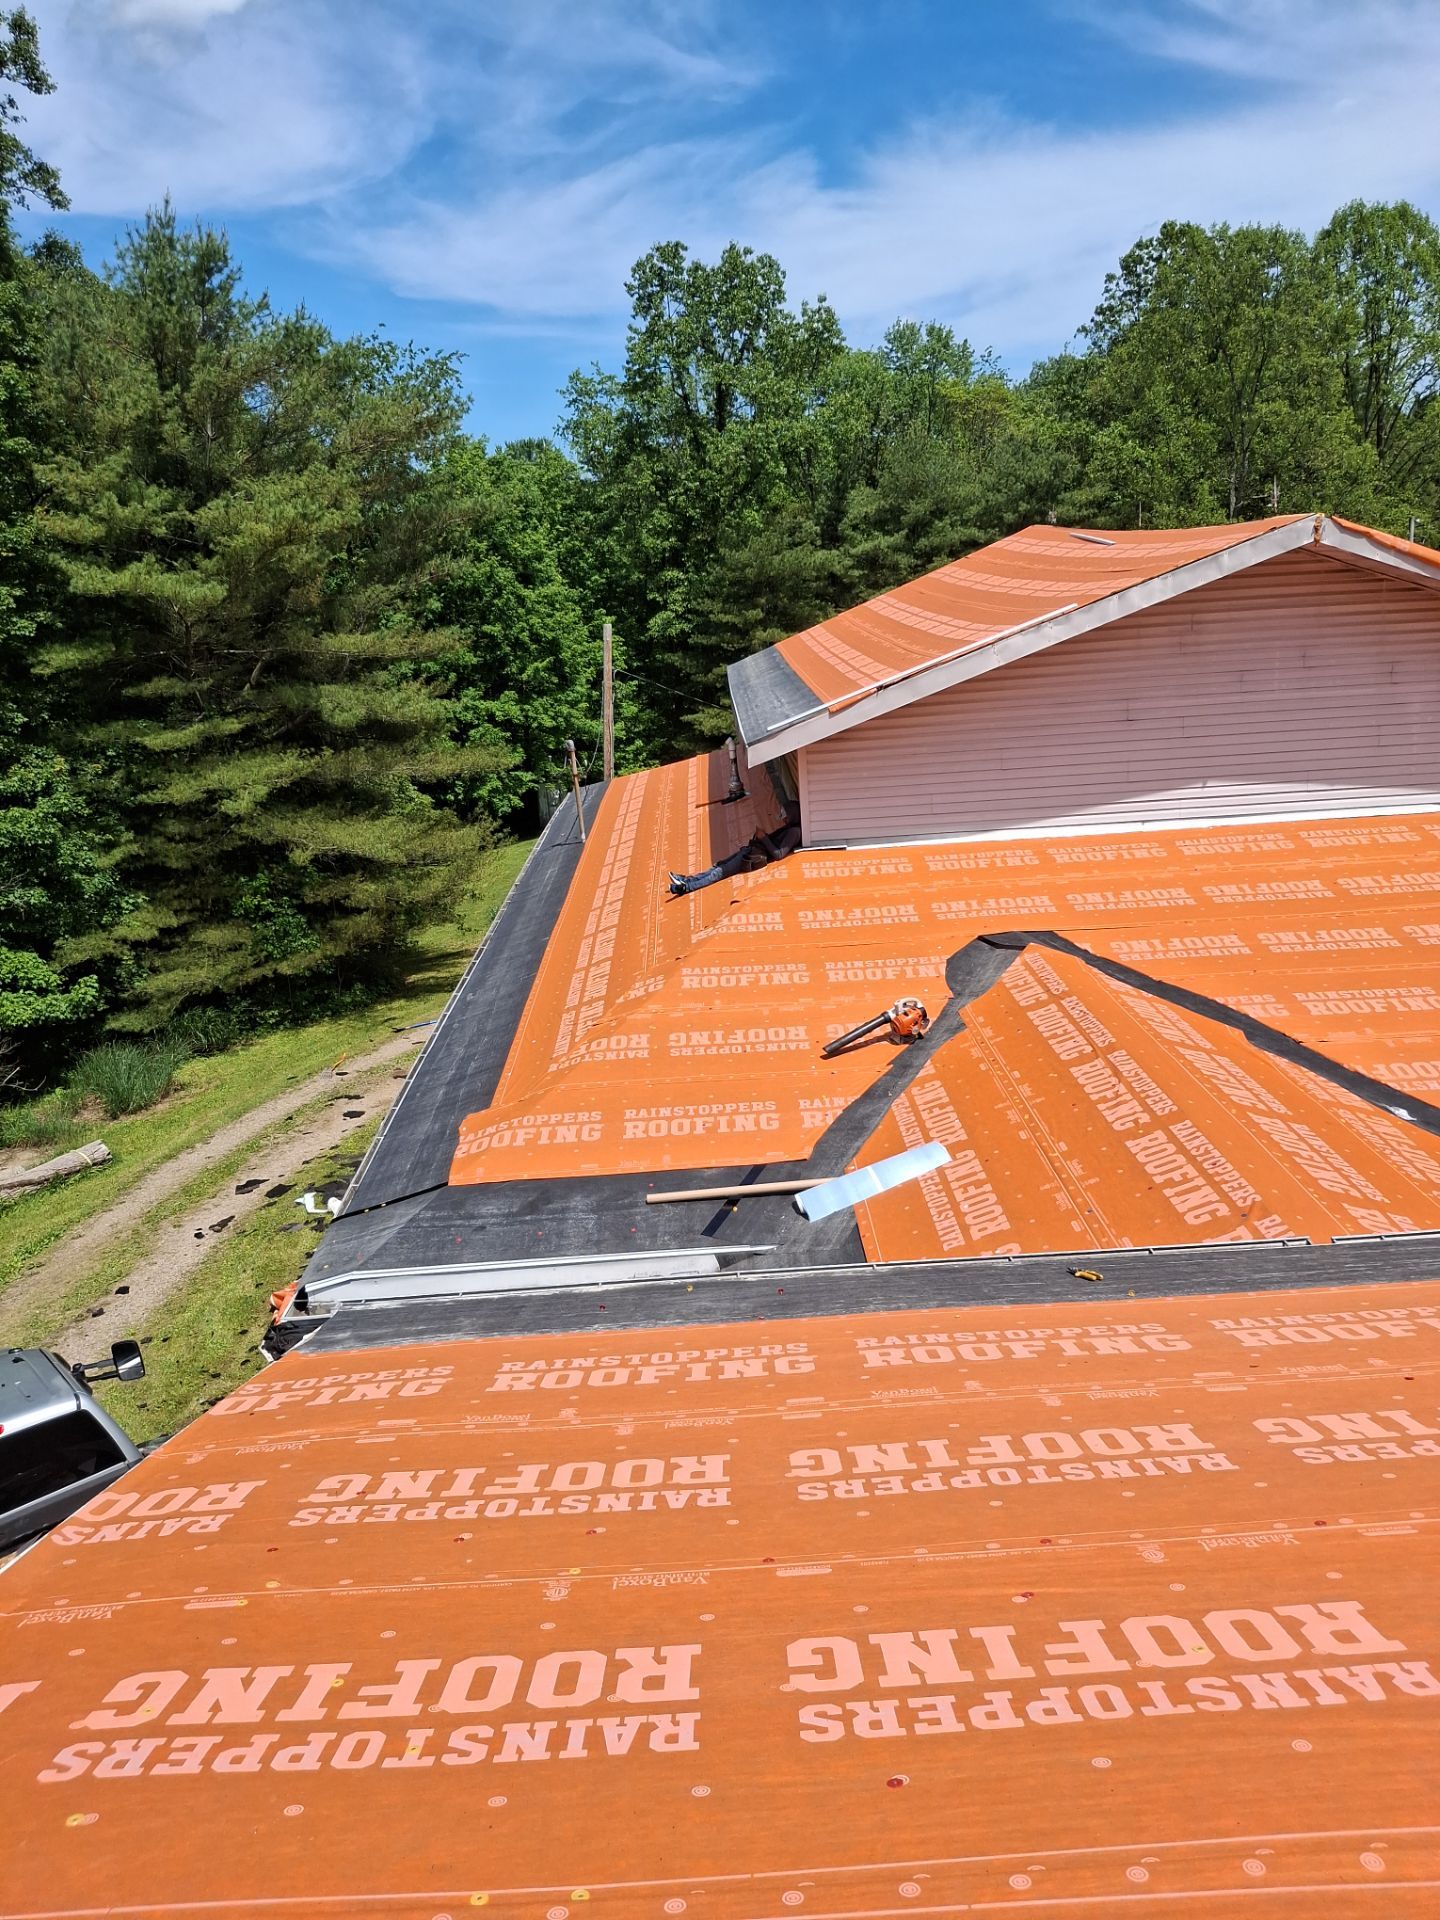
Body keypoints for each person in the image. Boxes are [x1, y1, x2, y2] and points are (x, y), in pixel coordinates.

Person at [667, 811, 802, 896]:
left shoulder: (794, 832)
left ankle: (685, 887)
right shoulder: (789, 828)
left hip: (753, 857)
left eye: (786, 815)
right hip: (750, 851)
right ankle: (685, 880)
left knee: (719, 872)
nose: (784, 818)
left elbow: (779, 854)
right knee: (717, 866)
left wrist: (763, 837)